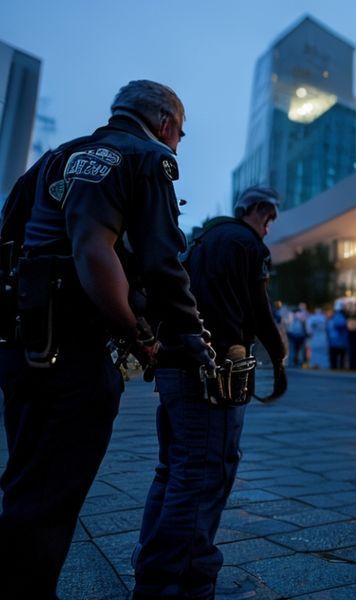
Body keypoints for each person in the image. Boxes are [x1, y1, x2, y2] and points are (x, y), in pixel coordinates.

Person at [0, 80, 215, 598]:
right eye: (180, 134)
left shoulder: (56, 158)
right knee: (50, 501)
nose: (178, 144)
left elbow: (9, 236)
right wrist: (173, 335)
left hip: (25, 345)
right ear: (166, 123)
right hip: (77, 348)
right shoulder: (149, 158)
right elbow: (159, 263)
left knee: (25, 486)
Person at [134, 185, 288, 598]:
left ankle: (151, 570)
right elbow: (260, 310)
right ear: (258, 209)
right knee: (203, 476)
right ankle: (181, 583)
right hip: (212, 372)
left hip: (174, 364)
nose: (268, 228)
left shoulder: (202, 238)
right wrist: (279, 352)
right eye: (269, 218)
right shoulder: (247, 244)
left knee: (173, 471)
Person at [327, 301, 348, 369]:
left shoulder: (334, 316)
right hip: (339, 340)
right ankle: (338, 367)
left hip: (334, 340)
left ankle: (335, 367)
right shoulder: (340, 316)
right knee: (340, 357)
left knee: (335, 357)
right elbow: (340, 325)